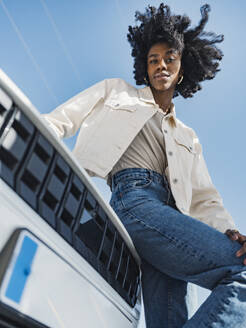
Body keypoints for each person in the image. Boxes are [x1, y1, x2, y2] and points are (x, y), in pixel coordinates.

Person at [43, 3, 246, 327]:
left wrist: (229, 232)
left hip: (171, 218)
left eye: (170, 59)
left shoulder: (188, 137)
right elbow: (60, 121)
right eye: (153, 60)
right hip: (135, 202)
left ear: (183, 67)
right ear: (144, 66)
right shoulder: (116, 92)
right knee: (242, 272)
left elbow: (205, 199)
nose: (161, 65)